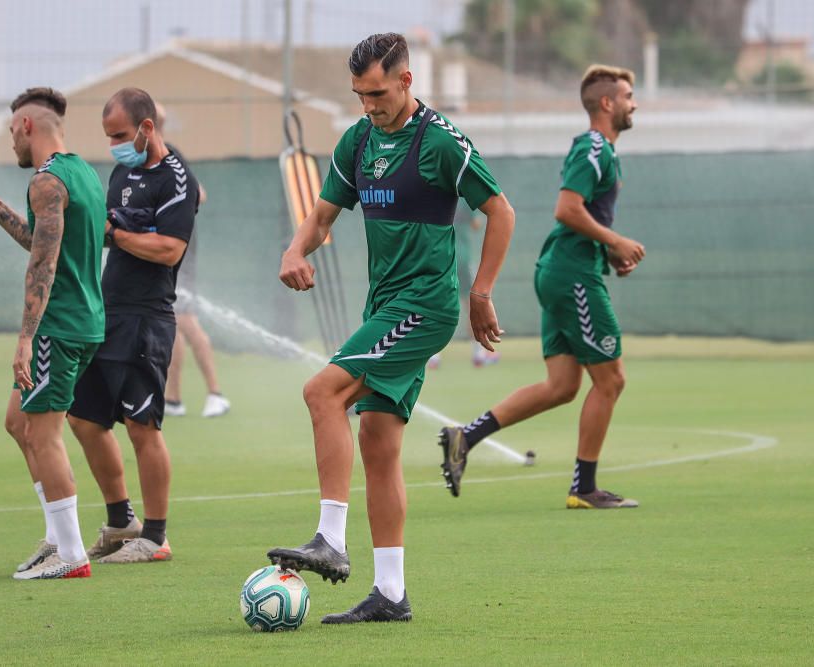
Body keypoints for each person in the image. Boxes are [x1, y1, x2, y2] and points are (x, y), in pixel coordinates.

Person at [267, 33, 515, 624]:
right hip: (384, 308)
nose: (368, 105)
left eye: (377, 92)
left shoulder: (441, 142)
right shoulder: (357, 142)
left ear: (406, 80)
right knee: (377, 440)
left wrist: (480, 292)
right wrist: (294, 250)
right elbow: (322, 216)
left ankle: (330, 537)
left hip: (425, 307)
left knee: (321, 390)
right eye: (359, 95)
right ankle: (392, 593)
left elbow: (499, 210)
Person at [438, 64, 645, 509]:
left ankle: (464, 438)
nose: (634, 103)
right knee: (610, 380)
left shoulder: (603, 152)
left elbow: (579, 219)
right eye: (628, 95)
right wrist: (615, 240)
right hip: (572, 276)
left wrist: (610, 252)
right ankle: (584, 488)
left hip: (565, 270)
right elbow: (566, 210)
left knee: (562, 385)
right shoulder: (594, 148)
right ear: (607, 103)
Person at [0, 87, 106, 579]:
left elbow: (41, 265)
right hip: (84, 322)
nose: (11, 143)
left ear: (27, 126)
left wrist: (25, 339)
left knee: (43, 434)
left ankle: (72, 556)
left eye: (11, 132)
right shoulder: (82, 171)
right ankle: (55, 538)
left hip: (59, 326)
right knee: (18, 423)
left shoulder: (46, 182)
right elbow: (41, 239)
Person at [66, 87, 198, 564]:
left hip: (146, 318)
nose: (114, 146)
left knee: (142, 427)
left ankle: (156, 537)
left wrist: (116, 234)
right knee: (83, 418)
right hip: (108, 312)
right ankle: (123, 522)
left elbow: (169, 249)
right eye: (108, 137)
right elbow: (108, 230)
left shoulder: (177, 178)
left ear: (146, 127)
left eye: (120, 135)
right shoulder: (122, 171)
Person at [152, 104, 231, 419]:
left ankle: (216, 393)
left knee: (185, 320)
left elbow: (198, 194)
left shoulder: (170, 154)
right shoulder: (147, 161)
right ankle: (173, 398)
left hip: (178, 250)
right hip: (163, 253)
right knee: (171, 321)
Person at [427, 201, 501, 370]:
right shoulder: (464, 200)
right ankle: (479, 353)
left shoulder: (433, 195)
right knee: (472, 304)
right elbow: (476, 224)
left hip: (438, 258)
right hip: (462, 259)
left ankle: (432, 356)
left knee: (434, 305)